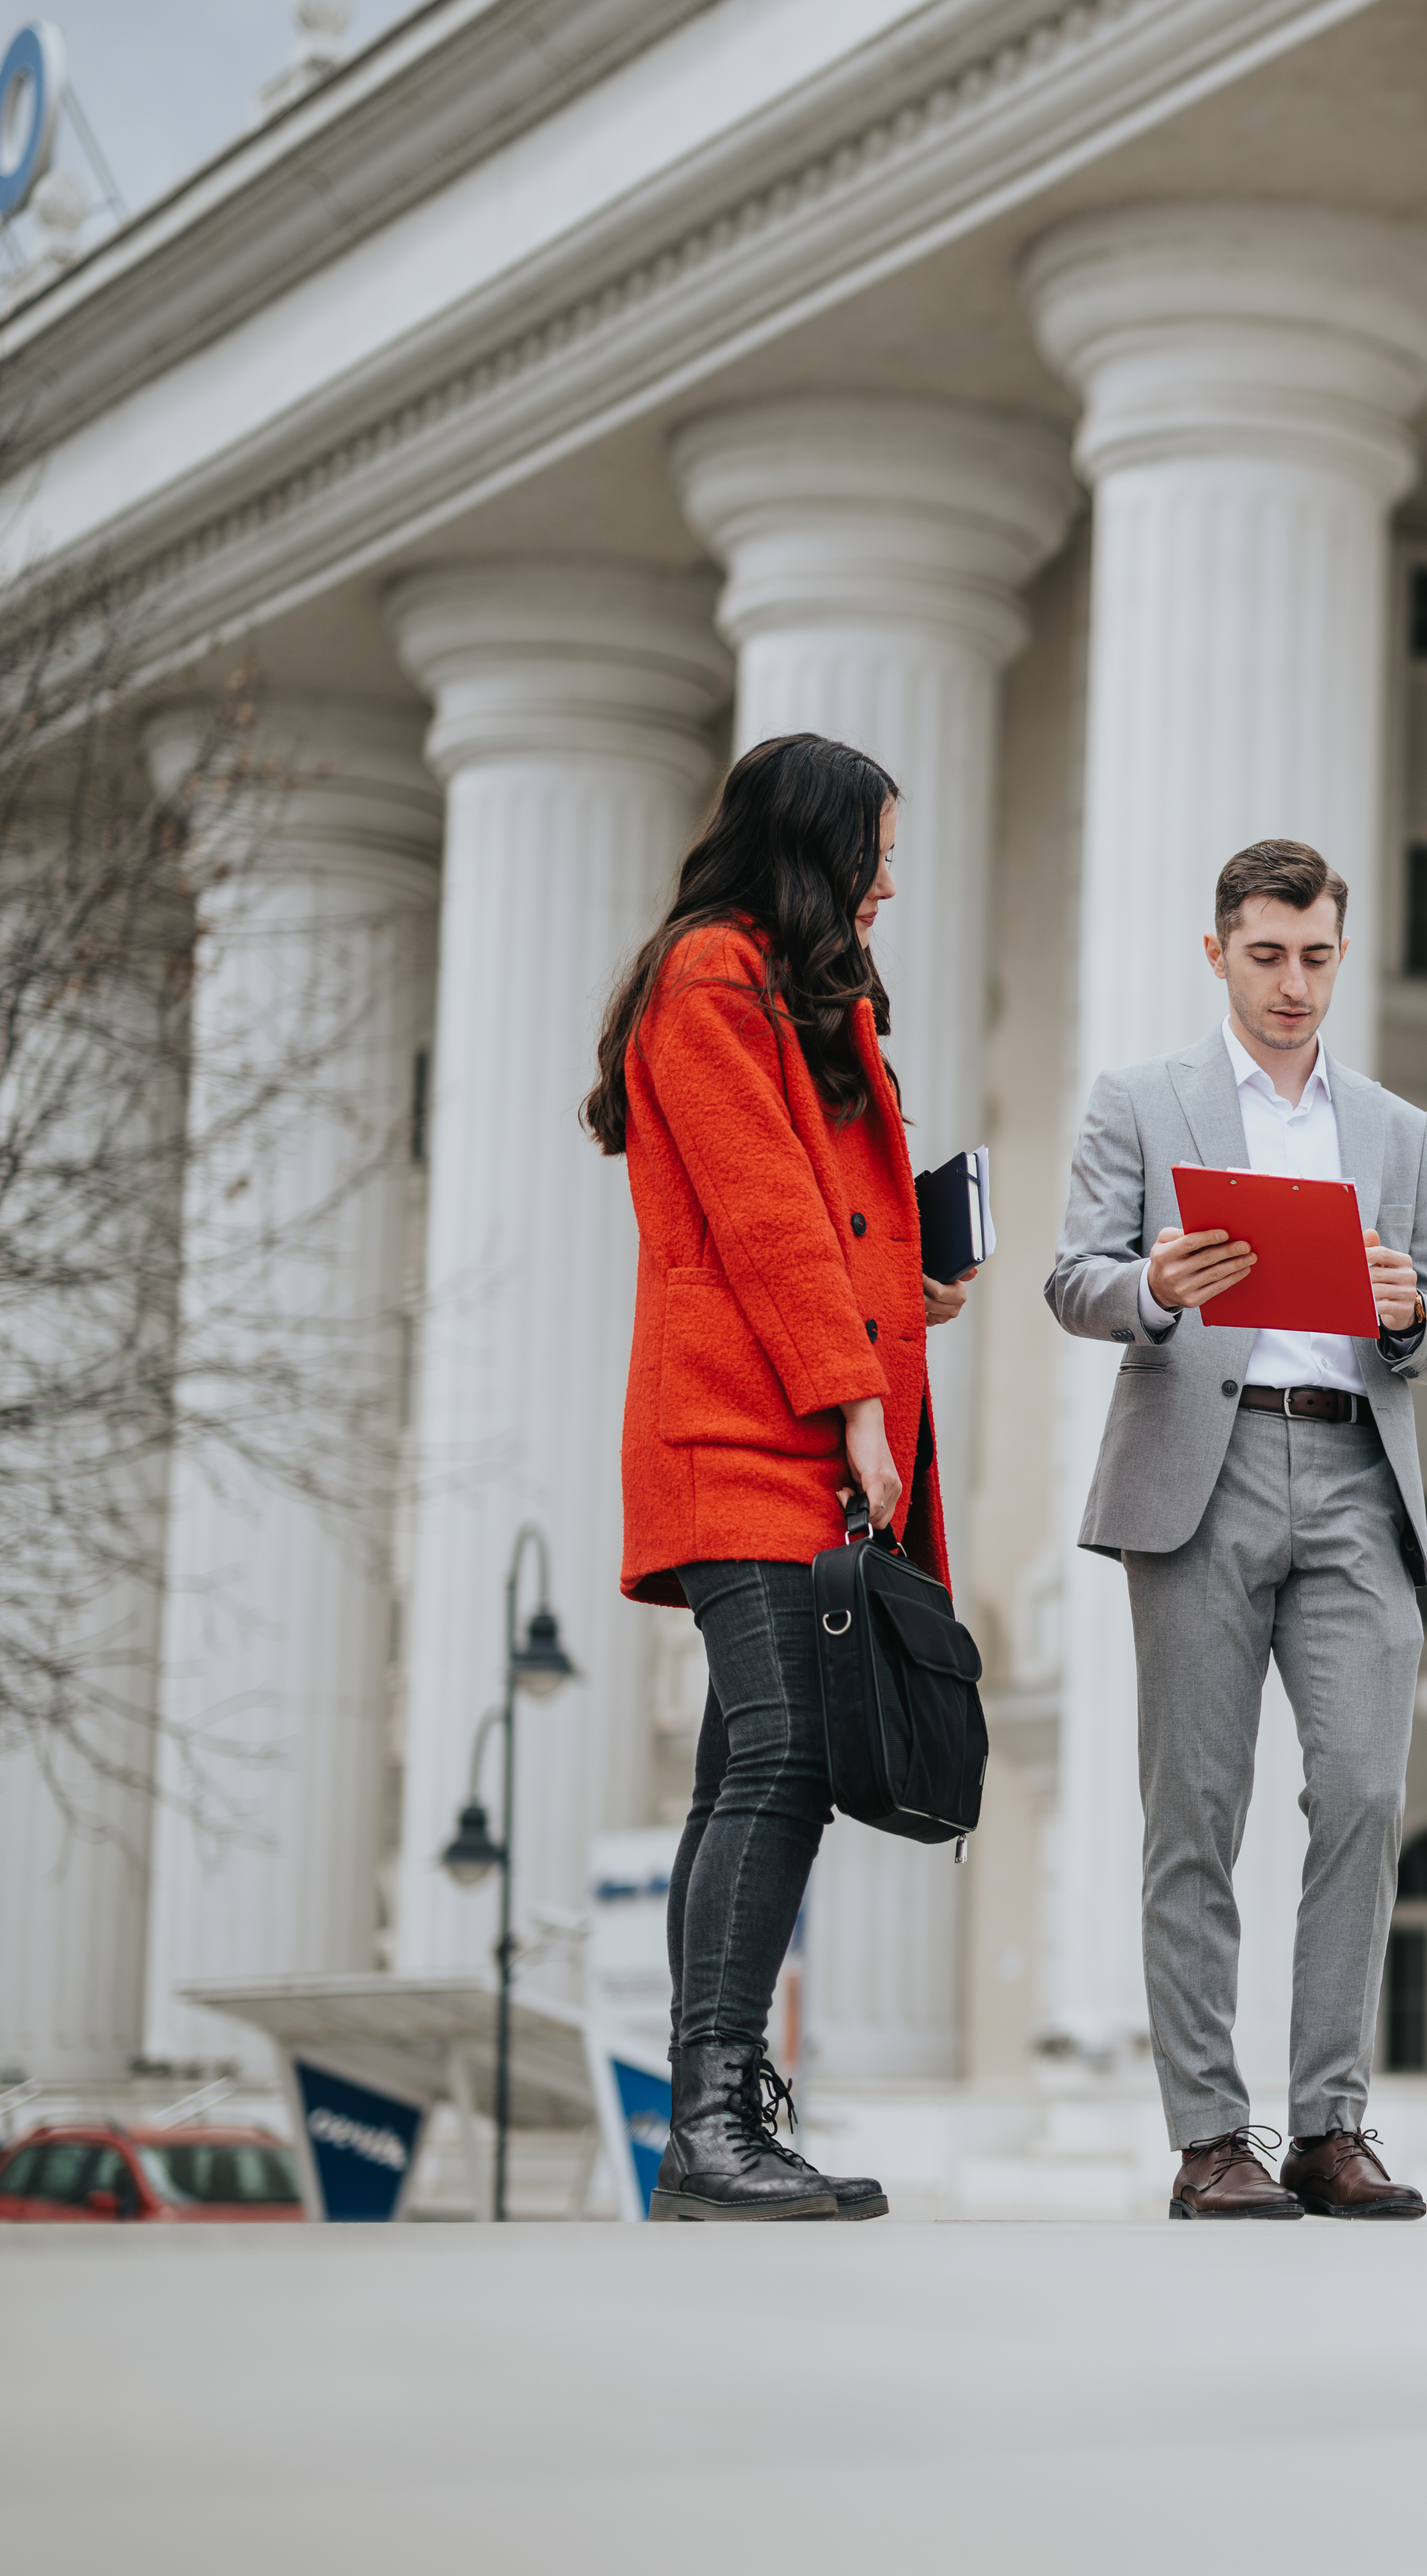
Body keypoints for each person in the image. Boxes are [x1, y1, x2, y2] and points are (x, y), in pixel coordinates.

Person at [1047, 840, 1427, 2221]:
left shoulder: (1400, 1130)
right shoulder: (1140, 1101)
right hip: (1200, 1471)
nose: (1294, 983)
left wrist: (1408, 1315)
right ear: (1219, 950)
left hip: (1355, 1470)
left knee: (1364, 1793)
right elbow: (1073, 1278)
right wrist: (1154, 1284)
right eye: (1268, 954)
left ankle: (1331, 2125)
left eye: (1318, 955)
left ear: (1344, 954)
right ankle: (1211, 2132)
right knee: (1197, 1812)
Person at [590, 731, 970, 2221]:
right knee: (785, 1763)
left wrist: (911, 1281)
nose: (892, 874)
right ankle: (710, 2120)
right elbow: (761, 1221)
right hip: (750, 1425)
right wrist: (860, 1405)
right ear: (813, 844)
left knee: (744, 1771)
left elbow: (825, 1214)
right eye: (877, 844)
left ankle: (717, 2111)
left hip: (794, 1415)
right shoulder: (710, 979)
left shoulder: (792, 992)